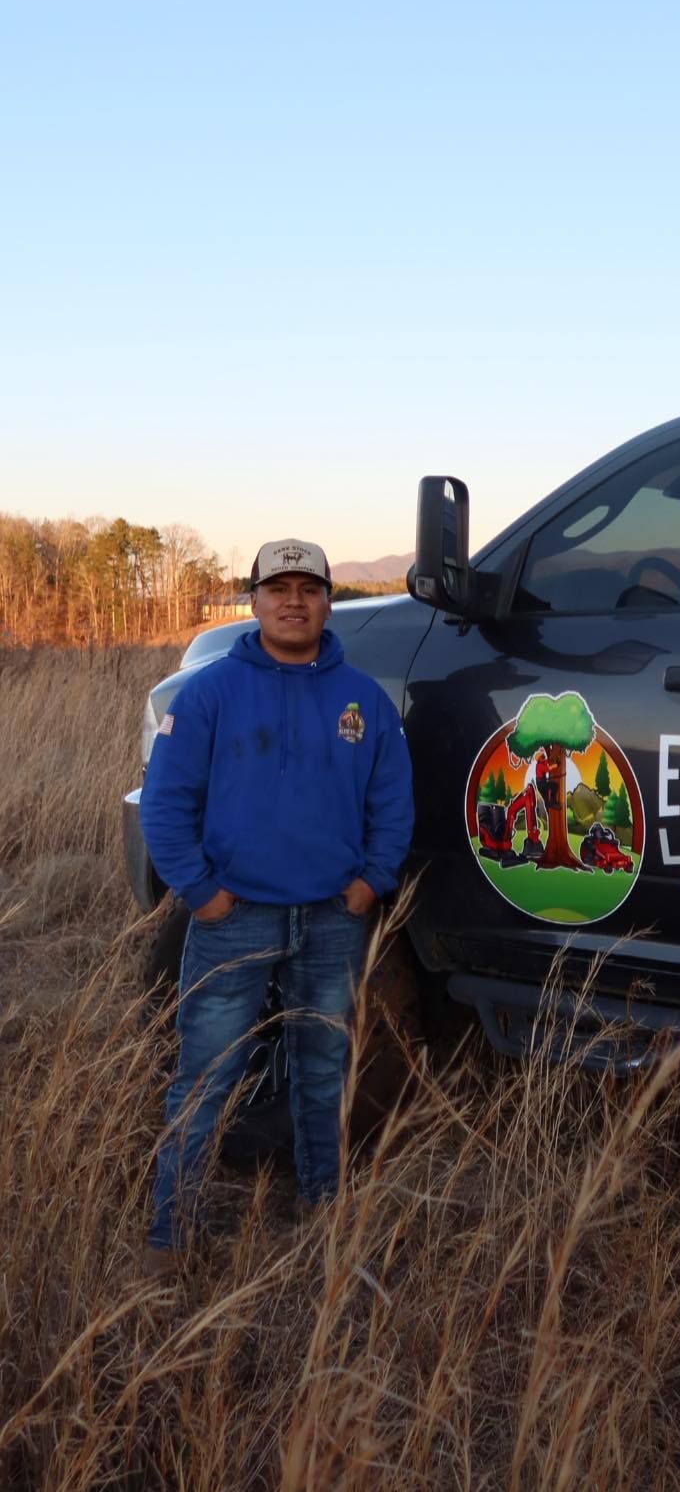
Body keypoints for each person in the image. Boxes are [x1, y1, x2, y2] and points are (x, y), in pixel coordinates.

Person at [139, 537, 414, 1271]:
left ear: (330, 602)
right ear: (254, 601)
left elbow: (393, 799)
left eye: (310, 588)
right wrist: (203, 894)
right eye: (278, 588)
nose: (295, 601)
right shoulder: (209, 695)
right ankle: (172, 1235)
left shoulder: (363, 700)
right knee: (207, 1076)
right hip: (236, 919)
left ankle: (322, 1206)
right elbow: (164, 807)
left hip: (332, 918)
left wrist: (370, 882)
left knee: (324, 1071)